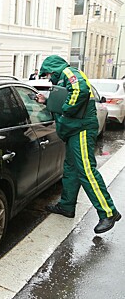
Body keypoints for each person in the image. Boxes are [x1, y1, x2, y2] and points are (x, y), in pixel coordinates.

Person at [36, 55, 120, 234]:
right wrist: (47, 101)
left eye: (49, 74)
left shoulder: (69, 72)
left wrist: (65, 110)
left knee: (86, 170)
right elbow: (67, 96)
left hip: (81, 129)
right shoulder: (64, 78)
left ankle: (108, 212)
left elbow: (80, 90)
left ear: (53, 69)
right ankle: (67, 206)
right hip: (75, 130)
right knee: (71, 169)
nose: (49, 78)